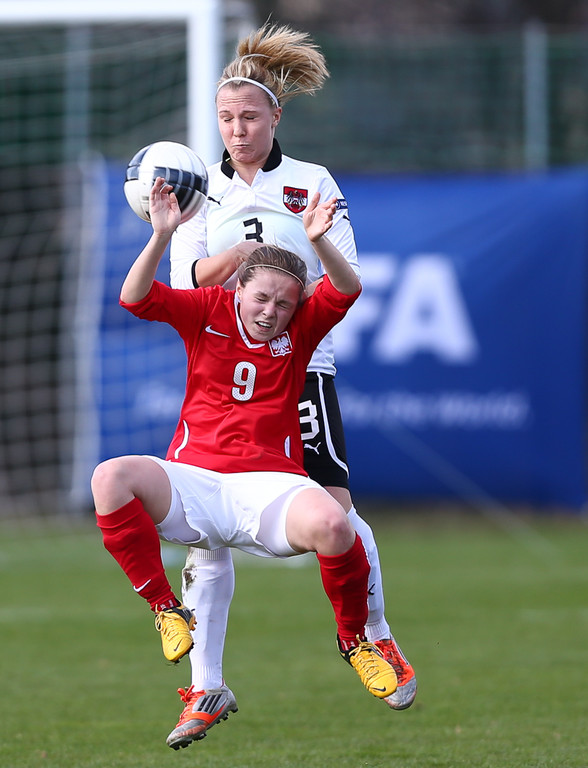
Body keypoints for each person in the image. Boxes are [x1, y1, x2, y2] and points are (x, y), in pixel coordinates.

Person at [166, 22, 416, 750]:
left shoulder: (313, 182)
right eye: (226, 118)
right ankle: (204, 686)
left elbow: (346, 276)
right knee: (202, 527)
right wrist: (247, 260)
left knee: (336, 511)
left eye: (249, 117)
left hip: (299, 369)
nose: (237, 130)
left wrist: (308, 243)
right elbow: (185, 283)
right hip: (220, 373)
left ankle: (374, 634)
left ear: (276, 116)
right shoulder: (199, 189)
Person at [92, 176, 399, 741]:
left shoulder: (302, 327)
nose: (271, 311)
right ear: (238, 289)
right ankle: (165, 608)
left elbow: (348, 288)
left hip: (269, 487)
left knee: (335, 524)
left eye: (284, 302)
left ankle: (355, 640)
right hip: (195, 479)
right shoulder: (207, 307)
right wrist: (161, 235)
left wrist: (319, 241)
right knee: (109, 477)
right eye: (261, 298)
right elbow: (134, 298)